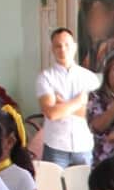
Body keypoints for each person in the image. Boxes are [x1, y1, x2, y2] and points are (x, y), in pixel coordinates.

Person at [35, 27, 101, 171]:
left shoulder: (89, 77)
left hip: (84, 144)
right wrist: (79, 101)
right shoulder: (45, 77)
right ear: (52, 49)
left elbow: (93, 113)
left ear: (75, 47)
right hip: (55, 145)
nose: (63, 49)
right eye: (58, 46)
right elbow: (51, 113)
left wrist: (62, 105)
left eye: (67, 45)